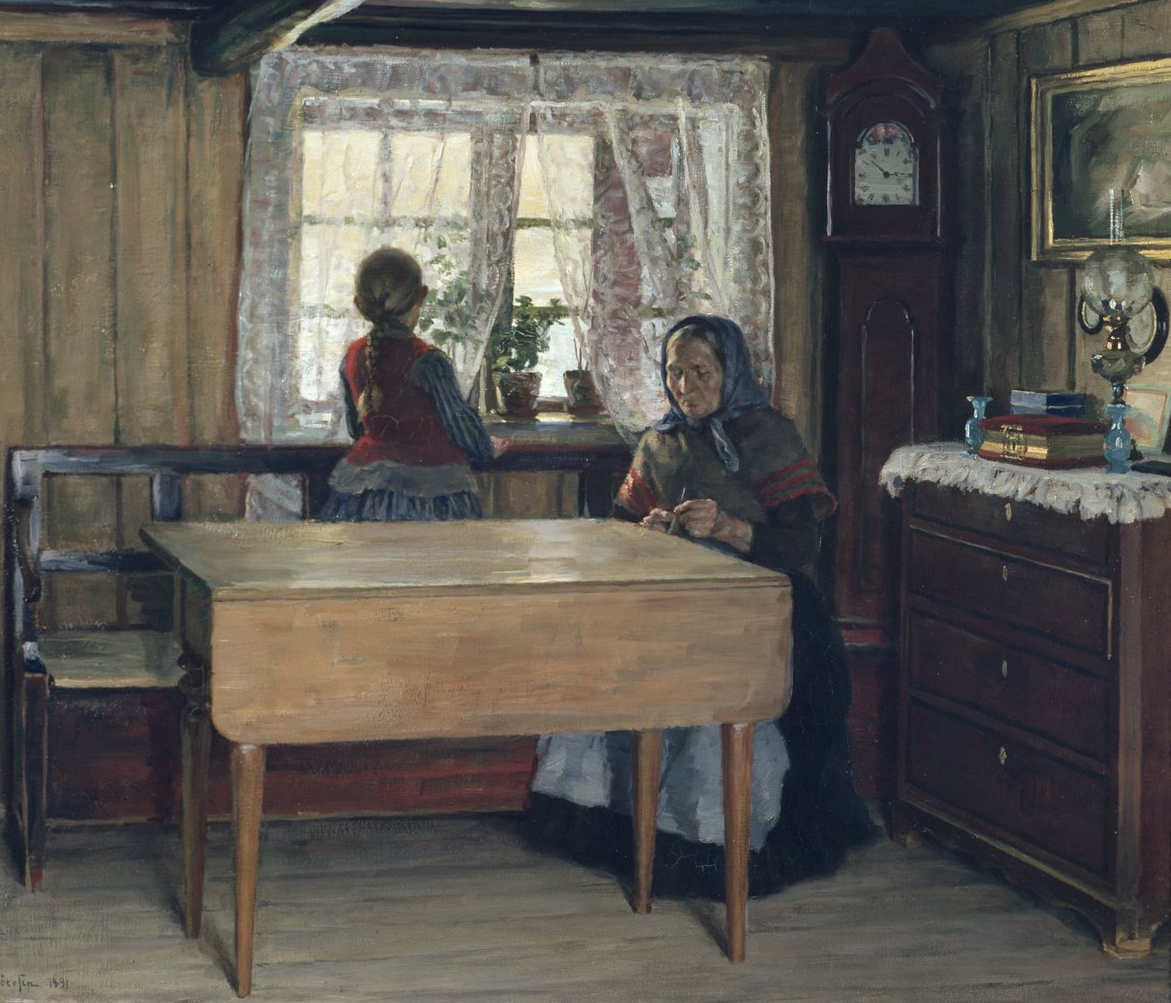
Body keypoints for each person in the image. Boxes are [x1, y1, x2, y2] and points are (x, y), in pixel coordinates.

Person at [523, 313, 878, 898]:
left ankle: (715, 840)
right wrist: (648, 531)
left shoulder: (768, 435)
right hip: (675, 601)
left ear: (731, 372)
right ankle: (621, 825)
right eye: (675, 372)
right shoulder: (659, 443)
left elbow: (802, 545)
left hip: (764, 604)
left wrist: (731, 529)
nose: (685, 386)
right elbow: (618, 528)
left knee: (723, 700)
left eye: (701, 372)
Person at [320, 247, 506, 521]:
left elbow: (356, 428)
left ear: (359, 303)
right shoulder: (429, 361)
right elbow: (463, 429)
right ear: (421, 295)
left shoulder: (353, 355)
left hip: (366, 491)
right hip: (432, 493)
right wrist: (486, 448)